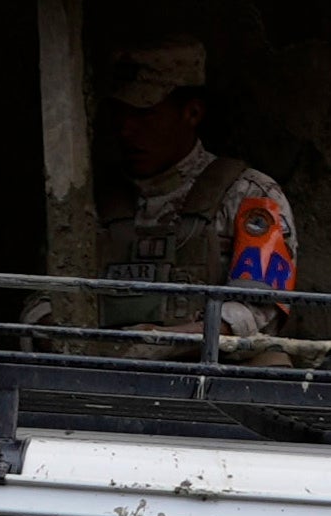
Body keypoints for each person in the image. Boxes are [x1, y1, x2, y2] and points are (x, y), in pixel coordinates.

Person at [101, 40, 298, 329]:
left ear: (192, 112)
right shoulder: (93, 199)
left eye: (144, 114)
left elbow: (256, 309)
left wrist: (163, 345)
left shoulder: (250, 195)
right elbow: (46, 298)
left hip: (213, 368)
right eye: (119, 113)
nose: (126, 130)